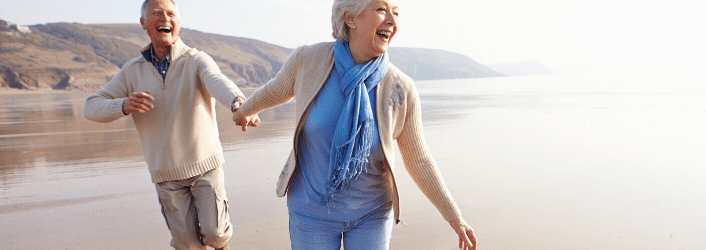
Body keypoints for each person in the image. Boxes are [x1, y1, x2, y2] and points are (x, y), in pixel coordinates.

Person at [232, 0, 478, 249]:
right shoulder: (309, 60)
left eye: (396, 13)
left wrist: (454, 217)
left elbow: (418, 159)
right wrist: (243, 111)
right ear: (350, 18)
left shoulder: (400, 88)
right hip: (310, 211)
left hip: (371, 214)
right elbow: (276, 90)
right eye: (381, 9)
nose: (392, 21)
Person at [83, 0, 259, 249]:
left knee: (216, 234)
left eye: (171, 13)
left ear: (178, 22)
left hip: (205, 165)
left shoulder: (197, 60)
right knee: (187, 244)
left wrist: (238, 103)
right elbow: (91, 107)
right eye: (157, 13)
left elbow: (218, 82)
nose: (165, 18)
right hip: (166, 175)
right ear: (144, 23)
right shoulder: (132, 71)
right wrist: (123, 105)